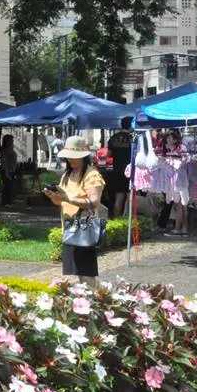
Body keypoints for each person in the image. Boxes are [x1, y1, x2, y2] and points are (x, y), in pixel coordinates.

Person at [43, 136, 105, 287]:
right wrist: (54, 196)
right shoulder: (67, 174)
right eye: (68, 157)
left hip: (83, 229)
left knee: (86, 273)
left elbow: (93, 202)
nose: (70, 160)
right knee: (77, 272)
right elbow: (61, 201)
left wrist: (68, 198)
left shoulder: (92, 175)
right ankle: (87, 300)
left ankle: (96, 301)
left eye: (73, 156)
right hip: (69, 229)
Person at [105, 117, 134, 220]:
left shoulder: (113, 138)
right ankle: (128, 219)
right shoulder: (133, 138)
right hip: (130, 170)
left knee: (119, 196)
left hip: (116, 170)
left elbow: (108, 155)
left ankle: (116, 220)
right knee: (130, 196)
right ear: (131, 125)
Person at [0, 134, 18, 206]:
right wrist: (6, 172)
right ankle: (5, 202)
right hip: (7, 170)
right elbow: (4, 162)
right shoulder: (5, 150)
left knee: (11, 187)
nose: (12, 141)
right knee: (7, 187)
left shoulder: (11, 148)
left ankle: (9, 201)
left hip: (12, 170)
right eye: (11, 140)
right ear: (7, 141)